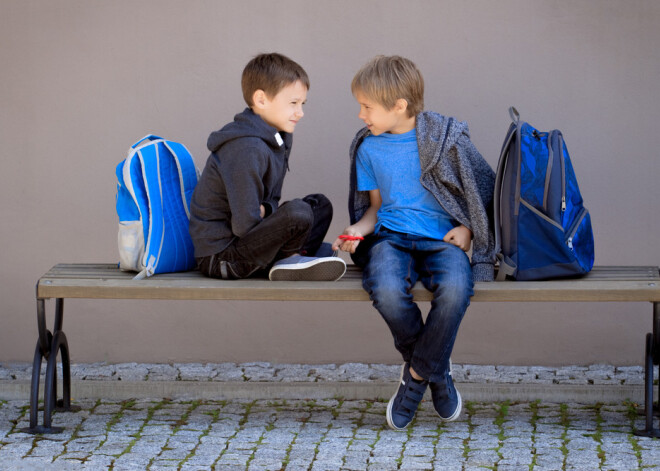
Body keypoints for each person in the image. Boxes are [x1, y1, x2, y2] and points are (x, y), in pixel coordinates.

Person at [332, 55, 496, 430]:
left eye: (367, 107)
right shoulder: (368, 149)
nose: (361, 115)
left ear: (399, 106)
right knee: (387, 290)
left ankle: (417, 376)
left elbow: (478, 190)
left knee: (456, 289)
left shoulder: (444, 141)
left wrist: (469, 229)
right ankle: (436, 368)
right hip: (391, 238)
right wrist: (358, 229)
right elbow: (375, 210)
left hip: (441, 240)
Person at [190, 52, 346, 281]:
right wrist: (266, 212)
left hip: (246, 241)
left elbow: (269, 202)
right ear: (261, 100)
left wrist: (267, 210)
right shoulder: (246, 149)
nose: (300, 113)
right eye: (293, 103)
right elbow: (245, 225)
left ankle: (293, 257)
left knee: (319, 205)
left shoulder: (277, 138)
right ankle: (290, 259)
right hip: (222, 257)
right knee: (298, 212)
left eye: (302, 104)